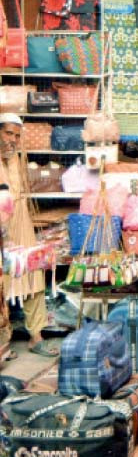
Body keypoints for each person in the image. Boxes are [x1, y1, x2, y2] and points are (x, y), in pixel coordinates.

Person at [0, 114, 57, 357]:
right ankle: (3, 344)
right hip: (1, 225)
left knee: (33, 273)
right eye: (8, 133)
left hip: (20, 220)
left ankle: (36, 336)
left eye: (16, 135)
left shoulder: (18, 159)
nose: (12, 140)